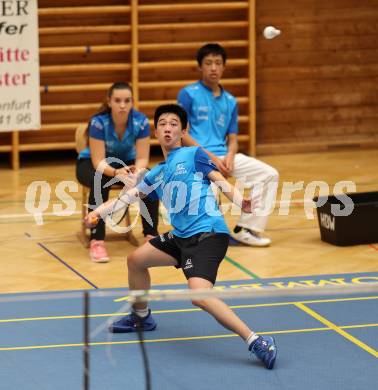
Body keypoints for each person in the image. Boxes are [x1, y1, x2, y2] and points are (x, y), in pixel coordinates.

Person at [85, 104, 277, 369]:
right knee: (136, 260)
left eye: (174, 124)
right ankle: (141, 316)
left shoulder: (193, 154)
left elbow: (219, 179)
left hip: (208, 234)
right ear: (155, 131)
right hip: (181, 236)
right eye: (162, 123)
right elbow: (124, 200)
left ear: (183, 131)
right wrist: (97, 214)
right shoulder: (157, 173)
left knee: (200, 296)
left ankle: (256, 340)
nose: (167, 128)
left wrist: (239, 200)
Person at [177, 43, 279, 247]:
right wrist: (212, 159)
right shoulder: (188, 94)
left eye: (218, 63)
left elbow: (233, 138)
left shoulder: (230, 101)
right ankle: (207, 233)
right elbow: (182, 133)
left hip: (224, 157)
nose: (213, 68)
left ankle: (247, 229)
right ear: (200, 67)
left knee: (269, 174)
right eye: (208, 63)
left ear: (224, 67)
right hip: (197, 157)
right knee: (212, 190)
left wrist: (230, 156)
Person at [76, 81, 159, 263]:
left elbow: (143, 157)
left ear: (132, 102)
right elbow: (98, 162)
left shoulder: (141, 121)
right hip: (92, 164)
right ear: (109, 102)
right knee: (100, 181)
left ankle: (151, 237)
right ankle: (97, 240)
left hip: (126, 163)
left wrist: (137, 172)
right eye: (118, 100)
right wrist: (116, 173)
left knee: (149, 180)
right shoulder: (98, 123)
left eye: (127, 101)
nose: (122, 105)